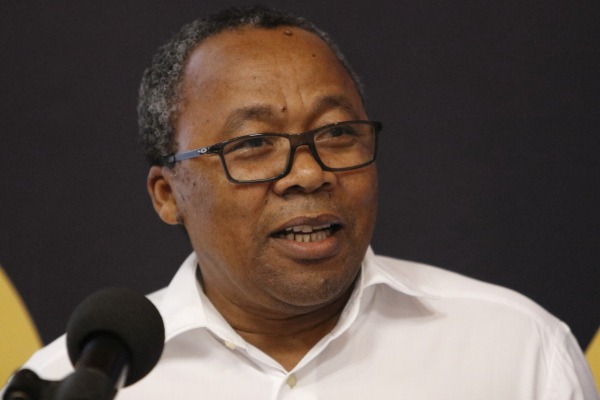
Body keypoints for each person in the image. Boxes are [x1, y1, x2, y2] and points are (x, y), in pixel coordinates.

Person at [4, 5, 598, 399]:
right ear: (168, 194)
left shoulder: (519, 349)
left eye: (337, 133)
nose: (309, 174)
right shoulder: (75, 385)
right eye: (253, 145)